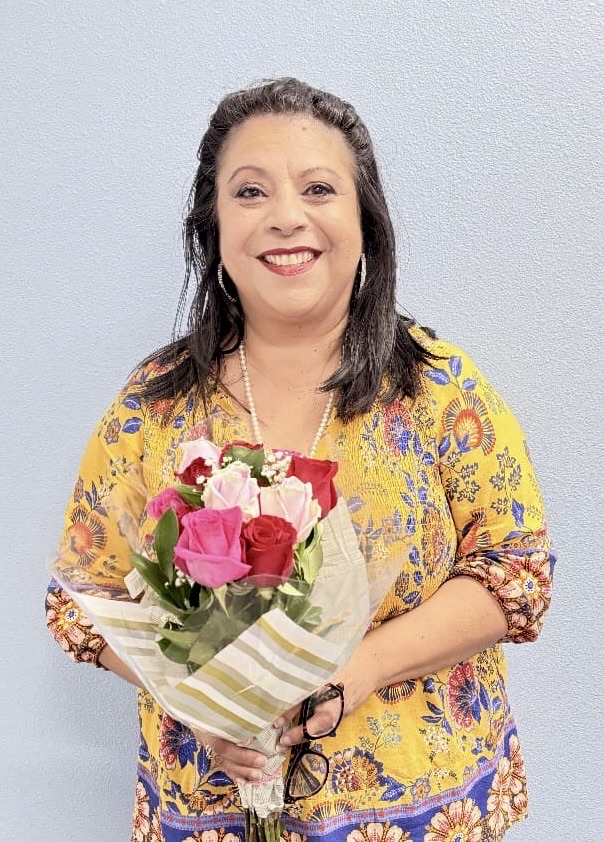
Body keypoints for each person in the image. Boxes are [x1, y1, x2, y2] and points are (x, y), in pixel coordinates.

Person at [46, 78, 555, 842]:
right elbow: (77, 601)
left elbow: (517, 573)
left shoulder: (438, 389)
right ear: (213, 227)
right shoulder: (153, 406)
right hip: (209, 805)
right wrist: (199, 700)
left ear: (363, 220)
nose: (287, 216)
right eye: (250, 192)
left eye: (319, 187)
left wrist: (361, 668)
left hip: (425, 811)